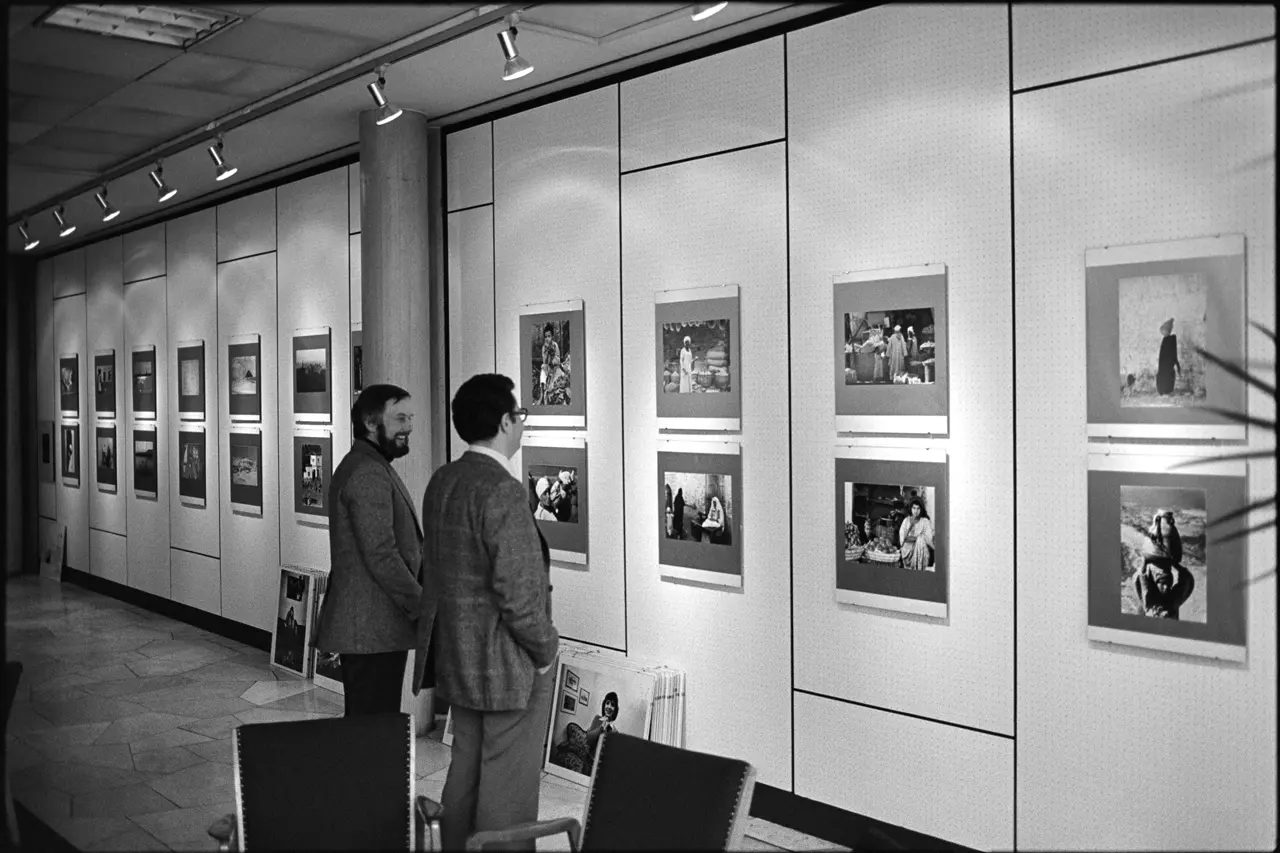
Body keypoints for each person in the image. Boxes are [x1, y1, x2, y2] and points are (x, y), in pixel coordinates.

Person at [414, 373, 559, 852]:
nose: (522, 425)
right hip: (508, 664)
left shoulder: (443, 480)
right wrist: (546, 650)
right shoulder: (503, 490)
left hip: (458, 657)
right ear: (504, 421)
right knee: (507, 788)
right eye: (520, 415)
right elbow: (518, 594)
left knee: (465, 771)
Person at [313, 384, 424, 716]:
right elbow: (381, 554)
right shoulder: (367, 471)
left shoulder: (367, 464)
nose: (409, 427)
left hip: (373, 629)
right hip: (371, 629)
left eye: (410, 418)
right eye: (400, 418)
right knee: (371, 729)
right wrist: (421, 604)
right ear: (371, 423)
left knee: (372, 727)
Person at [1133, 509, 1194, 618]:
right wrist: (1144, 564)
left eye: (1169, 583)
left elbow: (1186, 581)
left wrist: (1174, 564)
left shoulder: (1171, 601)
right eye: (1162, 584)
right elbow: (1139, 582)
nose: (1166, 587)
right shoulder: (1151, 604)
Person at [898, 496, 935, 571]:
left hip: (920, 553)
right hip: (906, 552)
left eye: (918, 508)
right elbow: (902, 538)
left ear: (921, 509)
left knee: (920, 540)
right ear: (911, 509)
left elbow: (929, 538)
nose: (916, 511)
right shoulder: (906, 521)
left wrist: (916, 539)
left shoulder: (925, 521)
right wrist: (915, 537)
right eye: (914, 508)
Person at [584, 691, 619, 757]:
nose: (609, 707)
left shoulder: (614, 730)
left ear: (615, 709)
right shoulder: (597, 718)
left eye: (612, 705)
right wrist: (601, 728)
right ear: (604, 705)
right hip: (590, 759)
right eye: (607, 703)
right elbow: (588, 740)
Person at [1156, 317, 1180, 396]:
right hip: (1167, 367)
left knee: (1166, 374)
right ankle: (1167, 390)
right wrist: (1177, 364)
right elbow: (1173, 354)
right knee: (1167, 374)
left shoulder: (1169, 340)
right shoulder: (1170, 339)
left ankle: (1166, 390)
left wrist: (1177, 363)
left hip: (1167, 366)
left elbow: (1173, 353)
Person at [538, 324, 560, 403]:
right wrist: (547, 352)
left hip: (554, 367)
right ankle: (541, 394)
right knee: (542, 371)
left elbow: (558, 360)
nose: (547, 338)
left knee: (556, 380)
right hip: (547, 367)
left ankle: (548, 393)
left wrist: (552, 355)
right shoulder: (544, 347)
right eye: (546, 337)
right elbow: (544, 361)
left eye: (549, 336)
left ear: (552, 337)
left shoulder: (555, 345)